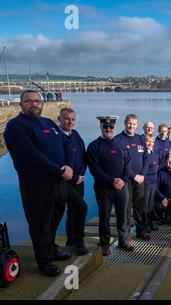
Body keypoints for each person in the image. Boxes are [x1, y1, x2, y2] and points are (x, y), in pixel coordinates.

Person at [4, 90, 73, 276]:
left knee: (54, 219)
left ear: (42, 104)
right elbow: (29, 155)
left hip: (58, 182)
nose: (34, 104)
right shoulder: (16, 126)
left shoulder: (49, 123)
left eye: (37, 101)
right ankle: (44, 261)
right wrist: (59, 169)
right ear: (21, 105)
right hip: (36, 185)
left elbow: (65, 144)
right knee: (40, 223)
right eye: (29, 101)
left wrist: (68, 165)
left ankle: (51, 249)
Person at [87, 115, 134, 256]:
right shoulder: (94, 146)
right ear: (101, 127)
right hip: (104, 188)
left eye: (111, 126)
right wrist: (112, 181)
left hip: (122, 187)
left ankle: (123, 240)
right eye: (105, 126)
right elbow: (95, 169)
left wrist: (124, 180)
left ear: (115, 127)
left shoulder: (121, 143)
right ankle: (104, 244)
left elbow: (128, 163)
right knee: (105, 217)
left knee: (123, 215)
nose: (108, 129)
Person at [55, 108, 89, 256]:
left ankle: (75, 241)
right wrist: (74, 177)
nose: (70, 122)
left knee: (76, 210)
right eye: (66, 118)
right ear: (59, 119)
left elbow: (84, 156)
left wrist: (80, 175)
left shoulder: (76, 135)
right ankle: (72, 240)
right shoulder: (55, 137)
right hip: (61, 182)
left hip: (78, 181)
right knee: (60, 212)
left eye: (73, 119)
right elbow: (57, 161)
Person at [115, 114, 150, 240]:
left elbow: (146, 158)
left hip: (140, 180)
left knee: (139, 207)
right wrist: (134, 175)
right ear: (125, 123)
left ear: (137, 125)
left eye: (134, 124)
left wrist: (143, 175)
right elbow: (121, 162)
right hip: (127, 180)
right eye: (129, 123)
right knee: (125, 209)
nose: (131, 126)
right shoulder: (119, 139)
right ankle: (126, 234)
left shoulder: (140, 139)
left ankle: (141, 231)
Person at [143, 134, 159, 231]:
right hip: (146, 184)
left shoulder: (154, 152)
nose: (150, 143)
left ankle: (150, 223)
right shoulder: (144, 153)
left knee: (151, 206)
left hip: (153, 183)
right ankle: (144, 226)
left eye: (152, 141)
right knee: (144, 206)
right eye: (148, 141)